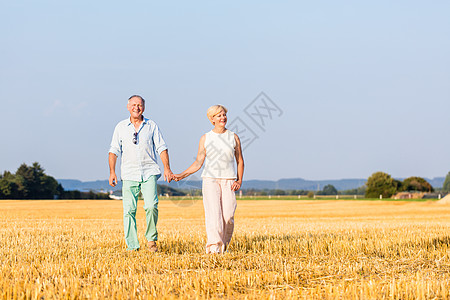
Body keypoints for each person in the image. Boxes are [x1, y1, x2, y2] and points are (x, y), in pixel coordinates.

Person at [174, 105, 244, 254]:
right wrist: (181, 175)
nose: (222, 118)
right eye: (218, 115)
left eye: (224, 115)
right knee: (214, 215)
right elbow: (198, 163)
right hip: (210, 180)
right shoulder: (206, 138)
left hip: (229, 180)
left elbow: (240, 161)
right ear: (212, 119)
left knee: (228, 216)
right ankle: (213, 248)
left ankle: (223, 245)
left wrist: (239, 180)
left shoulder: (233, 137)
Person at [108, 95, 174, 252]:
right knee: (129, 210)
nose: (136, 107)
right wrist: (112, 172)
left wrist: (167, 168)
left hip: (149, 171)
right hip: (129, 173)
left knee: (151, 206)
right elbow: (113, 150)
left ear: (144, 107)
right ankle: (132, 246)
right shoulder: (120, 127)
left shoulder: (151, 125)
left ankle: (151, 240)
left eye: (139, 105)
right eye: (133, 105)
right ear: (128, 107)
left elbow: (161, 147)